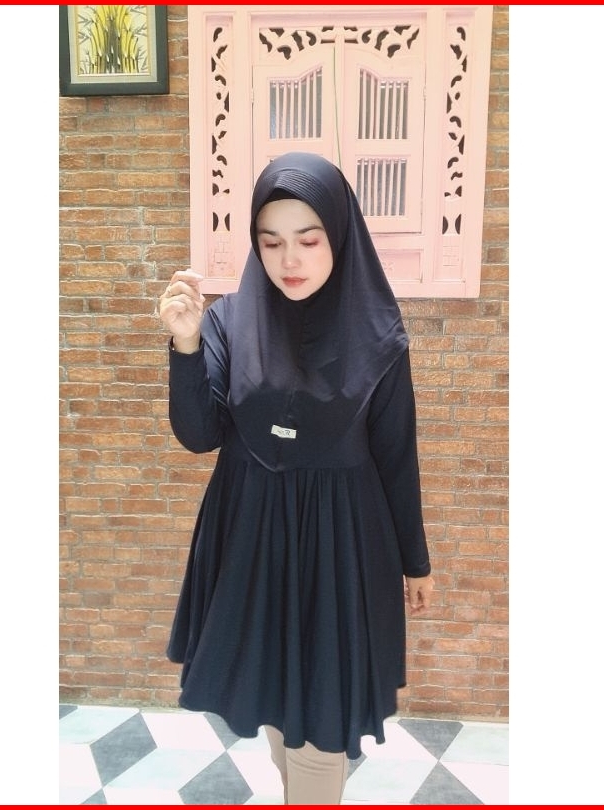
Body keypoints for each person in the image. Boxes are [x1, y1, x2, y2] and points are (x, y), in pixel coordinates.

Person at [157, 151, 434, 804]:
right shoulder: (229, 320)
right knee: (282, 704)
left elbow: (397, 455)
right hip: (250, 538)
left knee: (320, 719)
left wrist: (415, 562)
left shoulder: (379, 335)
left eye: (308, 240)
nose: (290, 259)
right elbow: (199, 434)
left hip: (340, 545)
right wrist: (187, 344)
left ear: (338, 234)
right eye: (271, 241)